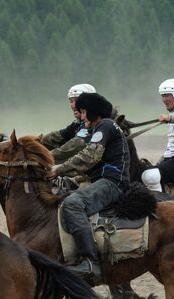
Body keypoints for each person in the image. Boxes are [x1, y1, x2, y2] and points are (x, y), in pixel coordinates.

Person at [54, 92, 130, 281]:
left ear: (90, 111)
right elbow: (90, 165)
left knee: (72, 204)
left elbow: (90, 156)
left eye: (82, 111)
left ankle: (90, 262)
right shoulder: (102, 127)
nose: (80, 115)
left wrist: (58, 169)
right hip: (103, 180)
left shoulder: (104, 126)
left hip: (112, 183)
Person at [41, 83, 96, 163]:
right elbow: (55, 137)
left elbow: (73, 146)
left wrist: (41, 157)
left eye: (77, 101)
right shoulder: (78, 123)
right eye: (71, 101)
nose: (73, 105)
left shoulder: (94, 122)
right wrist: (30, 144)